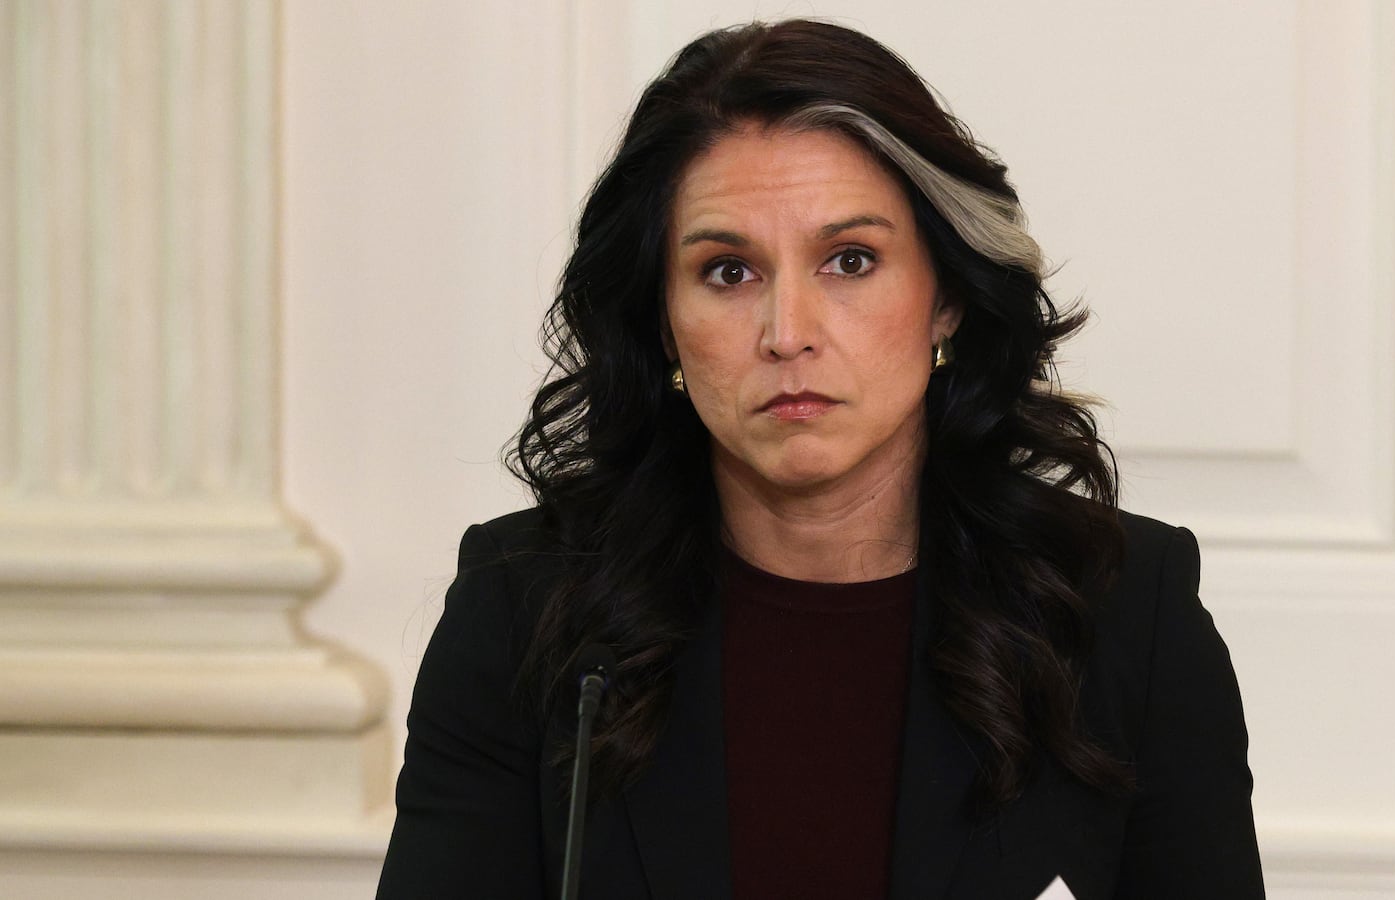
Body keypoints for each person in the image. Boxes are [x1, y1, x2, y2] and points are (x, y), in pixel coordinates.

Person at [376, 18, 1263, 900]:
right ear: (662, 322)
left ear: (946, 298)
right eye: (729, 272)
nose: (788, 333)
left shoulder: (1121, 611)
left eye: (850, 260)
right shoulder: (524, 609)